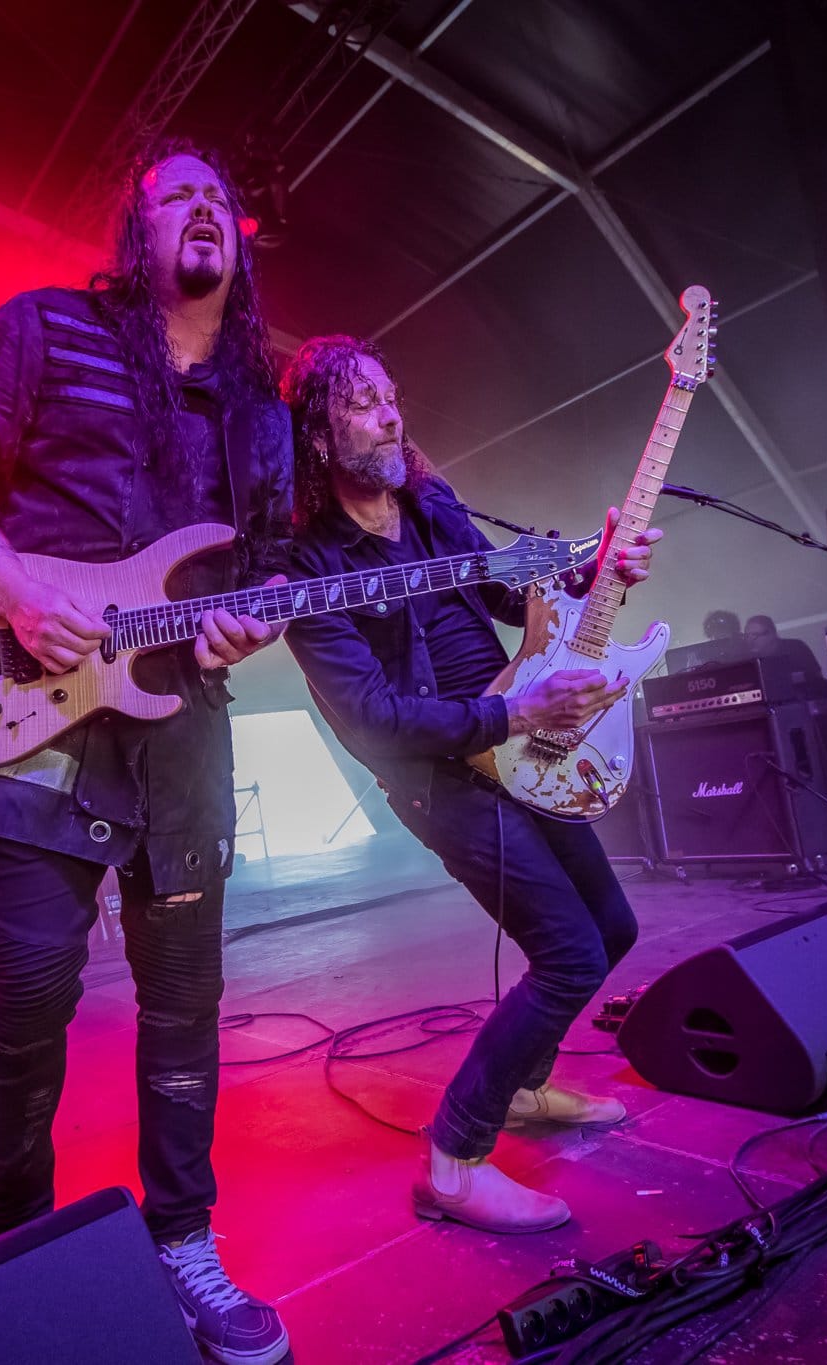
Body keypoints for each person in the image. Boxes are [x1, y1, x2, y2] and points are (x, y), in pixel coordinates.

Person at [0, 141, 293, 1365]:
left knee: (185, 1004)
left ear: (241, 239)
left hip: (178, 733)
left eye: (219, 199)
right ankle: (14, 1254)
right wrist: (11, 585)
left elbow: (270, 558)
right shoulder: (41, 332)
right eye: (174, 194)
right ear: (134, 229)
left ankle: (183, 1241)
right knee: (30, 992)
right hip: (30, 723)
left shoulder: (257, 402)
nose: (201, 211)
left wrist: (253, 619)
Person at [277, 335, 658, 1235]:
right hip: (440, 774)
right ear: (320, 436)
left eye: (391, 394)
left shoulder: (430, 501)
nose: (391, 411)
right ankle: (453, 1158)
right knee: (568, 954)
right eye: (364, 400)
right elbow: (371, 717)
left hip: (516, 743)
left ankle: (522, 1086)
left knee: (612, 927)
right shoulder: (307, 565)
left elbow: (500, 590)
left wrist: (588, 571)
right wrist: (517, 715)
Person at [744, 613, 826, 682]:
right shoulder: (748, 658)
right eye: (747, 636)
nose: (750, 641)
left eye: (755, 635)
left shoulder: (795, 647)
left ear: (772, 634)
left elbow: (815, 675)